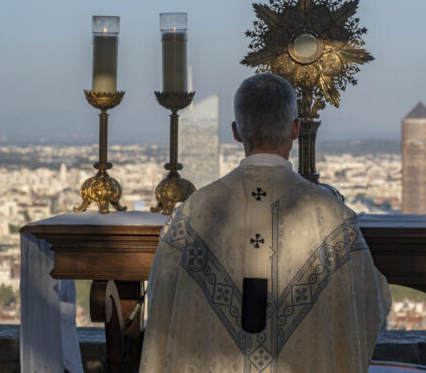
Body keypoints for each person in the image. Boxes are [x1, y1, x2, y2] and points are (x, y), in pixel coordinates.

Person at [140, 73, 391, 373]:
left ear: (235, 131)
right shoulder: (331, 218)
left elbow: (160, 306)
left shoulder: (190, 217)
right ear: (296, 128)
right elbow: (371, 304)